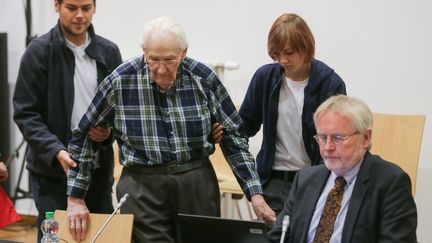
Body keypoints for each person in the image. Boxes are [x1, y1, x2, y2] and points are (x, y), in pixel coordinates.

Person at [66, 16, 274, 243]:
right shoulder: (120, 80)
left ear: (184, 53)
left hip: (195, 180)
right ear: (144, 51)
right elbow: (84, 135)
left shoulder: (203, 78)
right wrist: (76, 197)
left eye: (170, 60)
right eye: (154, 59)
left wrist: (255, 194)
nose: (162, 69)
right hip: (142, 185)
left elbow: (235, 138)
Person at [12, 0, 122, 241]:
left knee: (99, 237)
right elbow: (25, 113)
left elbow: (120, 110)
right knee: (56, 238)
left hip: (97, 170)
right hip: (52, 172)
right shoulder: (39, 51)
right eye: (72, 8)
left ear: (95, 7)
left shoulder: (109, 52)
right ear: (57, 6)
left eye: (86, 8)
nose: (80, 15)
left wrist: (107, 133)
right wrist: (55, 150)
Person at [236, 13, 347, 215]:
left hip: (315, 179)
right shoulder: (265, 78)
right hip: (273, 180)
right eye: (276, 54)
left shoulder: (330, 84)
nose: (283, 60)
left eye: (288, 52)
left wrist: (323, 183)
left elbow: (337, 142)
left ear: (306, 47)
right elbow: (243, 127)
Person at [267, 95, 417, 243]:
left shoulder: (390, 182)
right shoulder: (306, 179)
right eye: (322, 138)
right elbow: (278, 237)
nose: (327, 147)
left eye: (338, 138)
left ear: (365, 138)